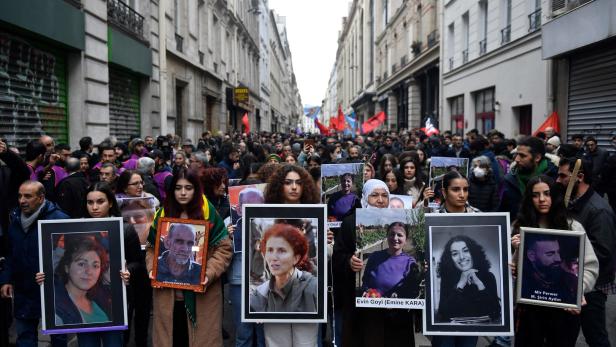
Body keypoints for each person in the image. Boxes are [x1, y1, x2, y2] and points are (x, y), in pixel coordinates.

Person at [146, 168, 232, 347]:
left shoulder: (209, 212)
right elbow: (151, 249)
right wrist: (152, 269)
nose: (183, 192)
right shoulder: (162, 214)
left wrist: (208, 273)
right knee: (172, 339)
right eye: (178, 188)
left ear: (196, 189)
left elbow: (224, 249)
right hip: (168, 296)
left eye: (188, 187)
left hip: (202, 297)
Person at [511, 175, 599, 347]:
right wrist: (517, 250)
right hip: (530, 312)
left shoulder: (572, 226)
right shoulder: (519, 226)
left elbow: (590, 267)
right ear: (529, 199)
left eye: (547, 193)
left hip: (563, 312)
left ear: (555, 196)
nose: (542, 199)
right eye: (535, 195)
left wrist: (576, 290)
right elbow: (512, 271)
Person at [333, 179, 415, 347]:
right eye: (374, 195)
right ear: (364, 198)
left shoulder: (399, 220)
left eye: (385, 195)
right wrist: (349, 261)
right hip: (363, 309)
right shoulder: (350, 222)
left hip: (396, 311)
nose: (380, 200)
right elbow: (338, 255)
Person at [0, 181, 69, 346]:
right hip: (24, 288)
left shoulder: (59, 219)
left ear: (41, 198)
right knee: (25, 336)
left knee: (58, 337)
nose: (22, 200)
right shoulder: (15, 218)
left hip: (54, 289)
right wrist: (6, 279)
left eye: (28, 196)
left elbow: (70, 255)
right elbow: (10, 252)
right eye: (20, 196)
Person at [556, 157, 616, 347]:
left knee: (595, 335)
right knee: (565, 333)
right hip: (572, 279)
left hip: (592, 287)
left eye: (562, 176)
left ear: (578, 177)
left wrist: (565, 261)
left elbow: (602, 252)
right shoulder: (573, 201)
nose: (558, 180)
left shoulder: (599, 210)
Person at [262, 164, 321, 346]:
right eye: (288, 183)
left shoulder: (316, 215)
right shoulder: (264, 216)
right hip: (275, 296)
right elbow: (262, 261)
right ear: (280, 186)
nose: (294, 187)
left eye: (298, 183)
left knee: (306, 343)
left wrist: (326, 242)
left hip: (306, 296)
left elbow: (323, 258)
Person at [422, 171, 482, 347]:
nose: (462, 194)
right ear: (444, 191)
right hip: (444, 296)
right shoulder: (430, 218)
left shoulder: (480, 216)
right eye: (456, 189)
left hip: (472, 307)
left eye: (465, 189)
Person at [249, 223, 318, 313]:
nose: (273, 257)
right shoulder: (259, 295)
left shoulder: (313, 287)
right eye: (269, 250)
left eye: (281, 251)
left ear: (296, 258)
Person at [435, 235, 501, 323]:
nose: (462, 257)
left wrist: (480, 285)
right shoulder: (447, 279)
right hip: (454, 330)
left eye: (466, 251)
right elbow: (443, 314)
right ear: (450, 258)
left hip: (478, 331)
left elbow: (495, 312)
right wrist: (460, 284)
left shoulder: (488, 277)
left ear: (473, 252)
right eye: (455, 254)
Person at [498, 136, 557, 218]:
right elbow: (502, 212)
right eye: (516, 154)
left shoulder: (554, 179)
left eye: (522, 156)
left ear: (537, 157)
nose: (517, 159)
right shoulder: (509, 180)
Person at [361, 222, 419, 298]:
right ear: (387, 236)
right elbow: (365, 282)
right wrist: (367, 292)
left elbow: (412, 290)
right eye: (392, 234)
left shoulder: (410, 262)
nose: (395, 238)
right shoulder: (374, 257)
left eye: (399, 235)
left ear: (406, 240)